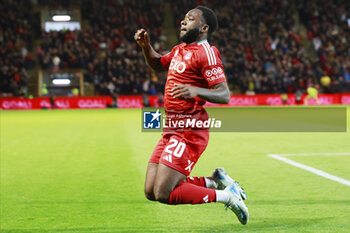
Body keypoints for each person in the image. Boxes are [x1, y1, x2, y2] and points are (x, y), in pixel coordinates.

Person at [134, 6, 249, 224]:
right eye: (184, 18)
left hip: (189, 130)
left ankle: (228, 197)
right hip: (171, 128)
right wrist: (146, 47)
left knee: (164, 192)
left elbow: (224, 94)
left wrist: (197, 90)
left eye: (190, 19)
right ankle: (216, 182)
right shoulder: (181, 49)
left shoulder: (207, 52)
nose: (183, 22)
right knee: (150, 190)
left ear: (204, 27)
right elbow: (159, 65)